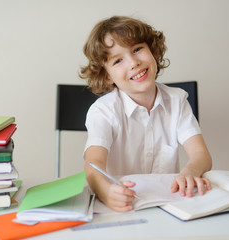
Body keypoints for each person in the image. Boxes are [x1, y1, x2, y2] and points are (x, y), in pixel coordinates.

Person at [79, 16, 212, 212]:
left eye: (137, 49)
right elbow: (93, 165)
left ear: (153, 51)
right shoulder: (103, 111)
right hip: (124, 205)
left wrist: (191, 171)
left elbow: (201, 155)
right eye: (118, 60)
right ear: (107, 75)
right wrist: (105, 191)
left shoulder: (177, 100)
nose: (133, 62)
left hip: (171, 202)